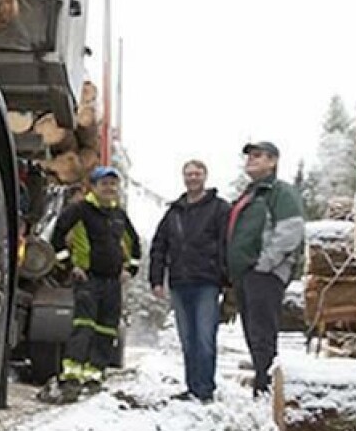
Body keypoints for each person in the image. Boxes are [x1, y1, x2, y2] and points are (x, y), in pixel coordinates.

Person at [40, 166, 140, 402]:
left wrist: (130, 269)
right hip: (88, 279)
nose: (109, 188)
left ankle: (95, 374)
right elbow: (58, 235)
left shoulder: (119, 215)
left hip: (112, 282)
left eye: (113, 184)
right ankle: (72, 375)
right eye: (104, 184)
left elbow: (134, 244)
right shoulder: (80, 210)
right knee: (84, 326)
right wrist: (68, 266)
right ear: (93, 187)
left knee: (106, 328)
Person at [226, 142, 305, 398]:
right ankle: (263, 385)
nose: (251, 159)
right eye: (249, 156)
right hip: (246, 275)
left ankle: (268, 390)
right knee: (252, 332)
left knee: (263, 333)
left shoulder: (279, 192)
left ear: (273, 162)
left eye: (258, 156)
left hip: (265, 274)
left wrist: (265, 263)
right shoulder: (251, 194)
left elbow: (291, 230)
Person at [149, 160, 229, 403]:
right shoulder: (174, 212)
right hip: (179, 283)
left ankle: (205, 389)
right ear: (184, 178)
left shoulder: (219, 208)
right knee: (187, 339)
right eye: (189, 174)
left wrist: (227, 280)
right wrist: (156, 280)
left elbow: (227, 244)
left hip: (207, 282)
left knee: (205, 337)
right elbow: (159, 247)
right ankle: (192, 386)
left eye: (197, 174)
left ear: (205, 176)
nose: (193, 178)